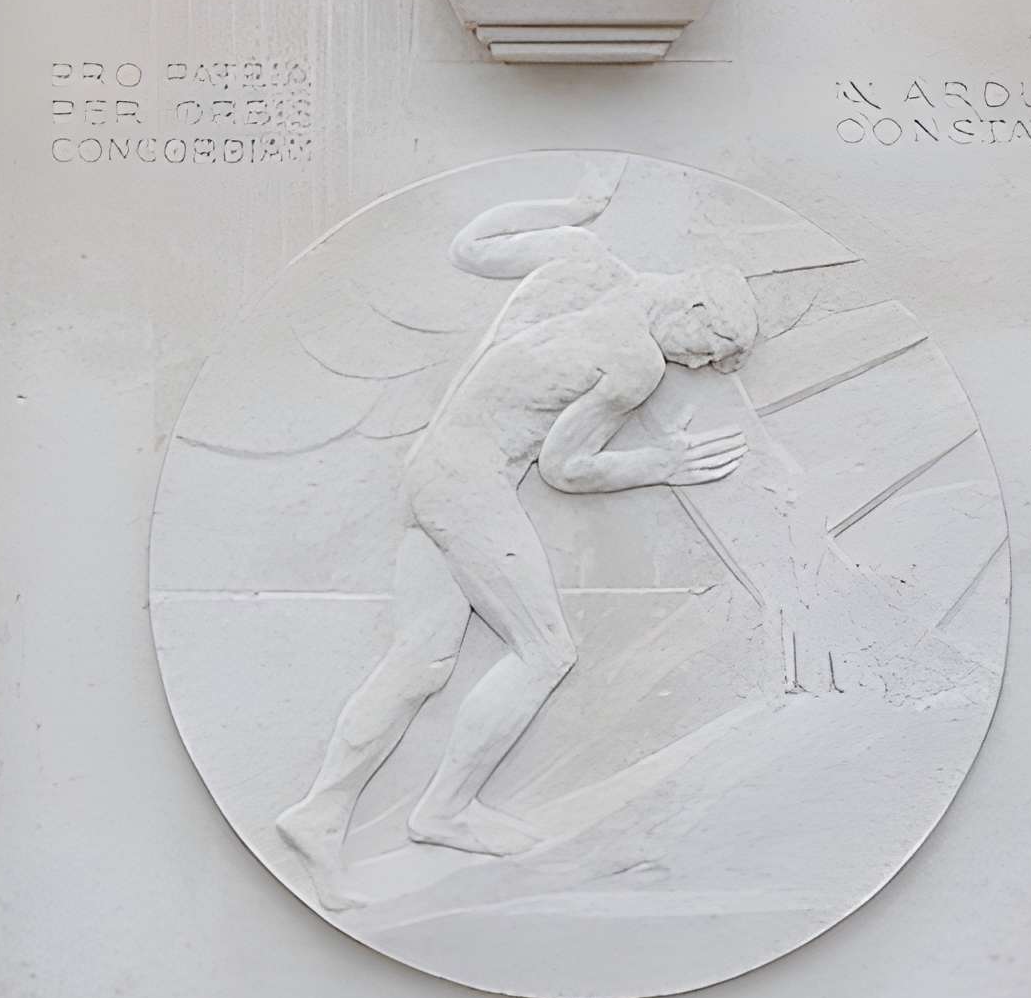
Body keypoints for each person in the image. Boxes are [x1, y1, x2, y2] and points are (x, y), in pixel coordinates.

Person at [275, 172, 758, 900]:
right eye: (705, 350)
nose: (695, 367)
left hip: (429, 467)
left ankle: (320, 814)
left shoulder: (584, 258)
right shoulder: (633, 361)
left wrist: (566, 206)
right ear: (690, 309)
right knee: (544, 650)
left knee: (420, 661)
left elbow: (469, 246)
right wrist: (660, 463)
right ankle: (446, 808)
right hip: (471, 482)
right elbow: (566, 468)